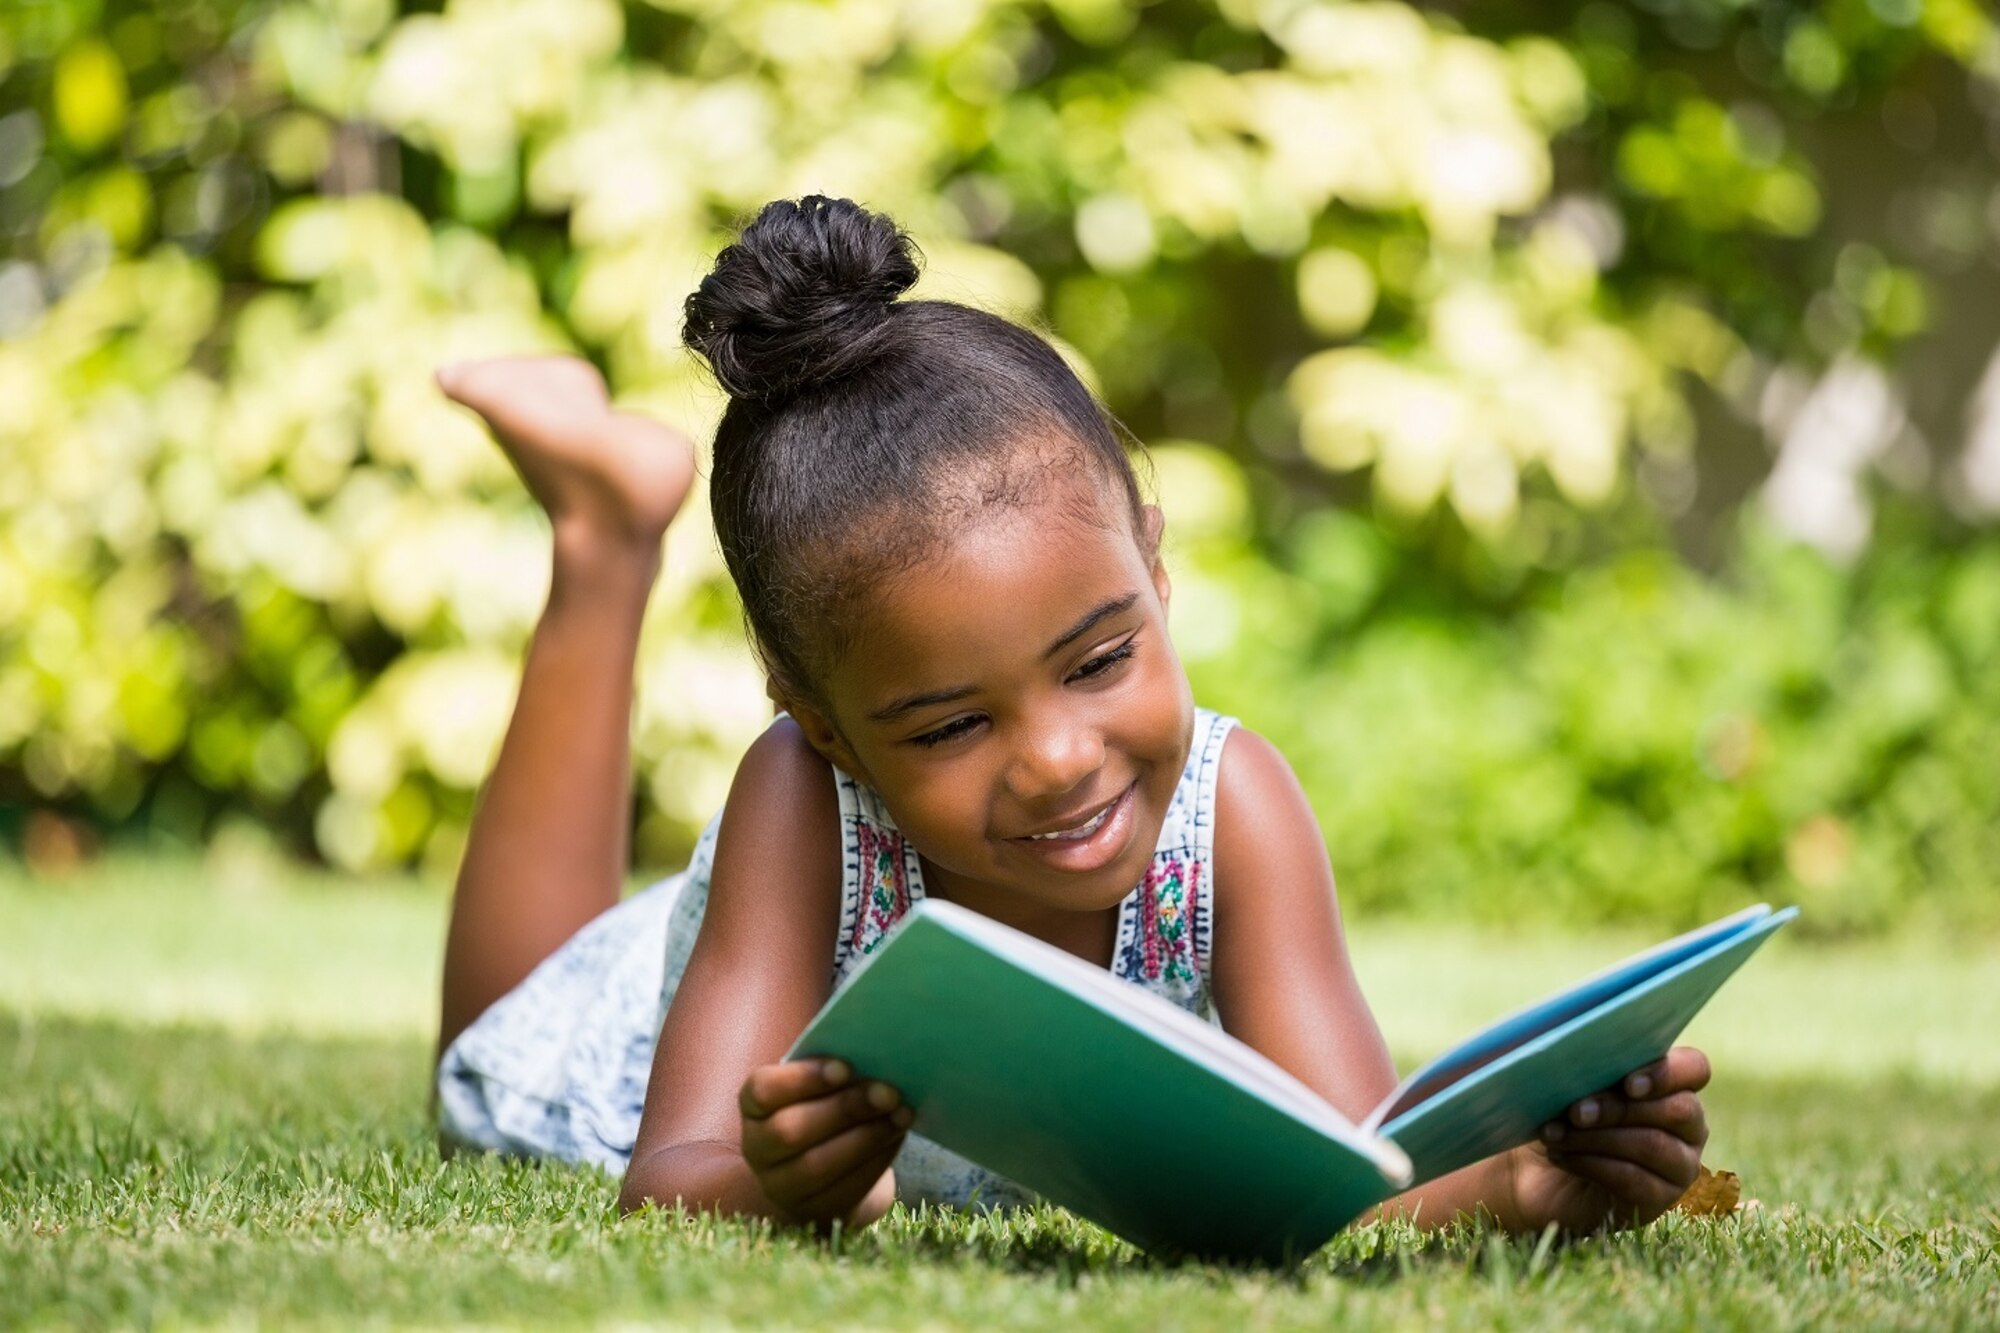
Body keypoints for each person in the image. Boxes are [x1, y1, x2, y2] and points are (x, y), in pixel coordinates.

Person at [430, 195, 1713, 1238]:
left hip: (731, 948)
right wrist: (779, 1181)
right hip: (642, 1027)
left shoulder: (1234, 809)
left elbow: (1350, 1167)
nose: (1054, 760)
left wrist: (1523, 1185)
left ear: (1153, 568)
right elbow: (672, 1174)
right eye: (945, 728)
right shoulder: (799, 799)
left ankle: (611, 517)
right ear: (815, 714)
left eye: (1098, 661)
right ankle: (602, 541)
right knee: (489, 1038)